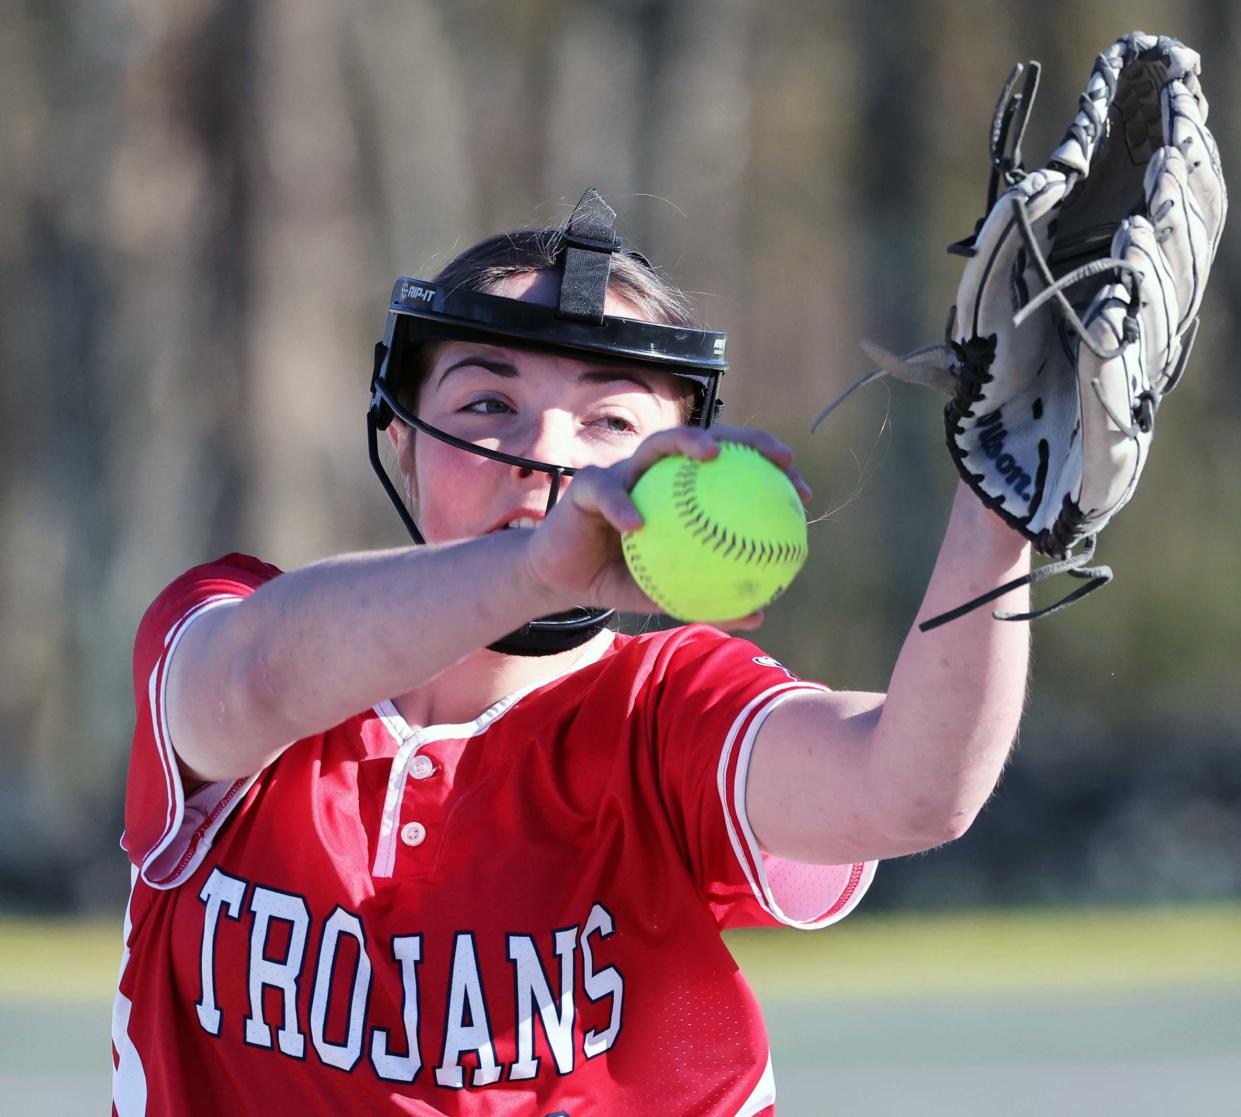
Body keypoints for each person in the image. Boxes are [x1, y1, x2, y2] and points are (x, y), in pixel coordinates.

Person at [112, 189, 1031, 1116]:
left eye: (610, 422)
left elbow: (907, 786)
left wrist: (997, 522)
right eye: (487, 400)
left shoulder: (665, 709)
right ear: (401, 438)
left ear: (679, 471)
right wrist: (532, 566)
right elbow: (254, 681)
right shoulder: (235, 622)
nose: (547, 452)